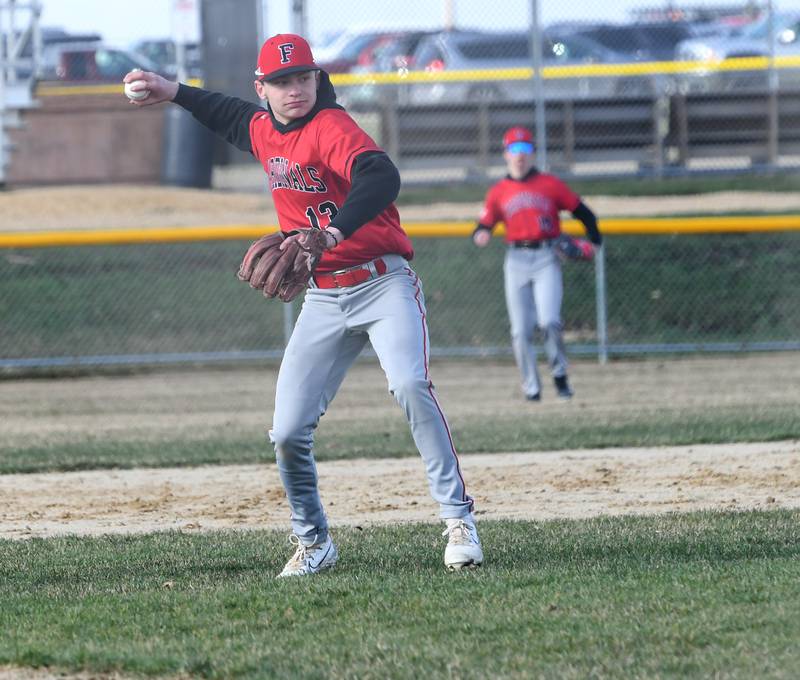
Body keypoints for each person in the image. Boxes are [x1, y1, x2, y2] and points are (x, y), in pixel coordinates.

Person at [123, 34, 482, 576]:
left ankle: (459, 521)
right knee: (287, 429)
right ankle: (313, 540)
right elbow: (226, 114)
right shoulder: (264, 129)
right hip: (324, 296)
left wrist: (331, 232)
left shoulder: (331, 127)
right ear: (262, 87)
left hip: (383, 284)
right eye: (282, 81)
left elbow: (382, 176)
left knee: (410, 384)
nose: (295, 89)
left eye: (303, 78)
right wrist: (171, 90)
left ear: (317, 80)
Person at [472, 126, 602, 402]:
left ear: (533, 154)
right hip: (516, 260)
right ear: (506, 154)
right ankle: (531, 388)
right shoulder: (498, 192)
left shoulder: (550, 185)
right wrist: (481, 232)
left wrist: (595, 239)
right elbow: (485, 222)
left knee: (550, 321)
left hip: (546, 256)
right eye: (514, 150)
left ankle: (560, 374)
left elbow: (582, 211)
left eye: (525, 149)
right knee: (520, 331)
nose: (520, 156)